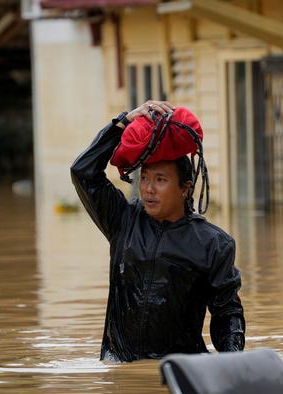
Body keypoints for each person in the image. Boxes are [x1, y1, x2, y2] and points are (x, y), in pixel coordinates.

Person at [71, 100, 245, 362]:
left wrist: (233, 360)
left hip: (179, 370)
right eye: (145, 178)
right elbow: (83, 172)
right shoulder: (122, 221)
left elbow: (227, 313)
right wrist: (122, 124)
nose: (148, 188)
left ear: (185, 187)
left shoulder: (214, 244)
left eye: (160, 180)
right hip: (119, 366)